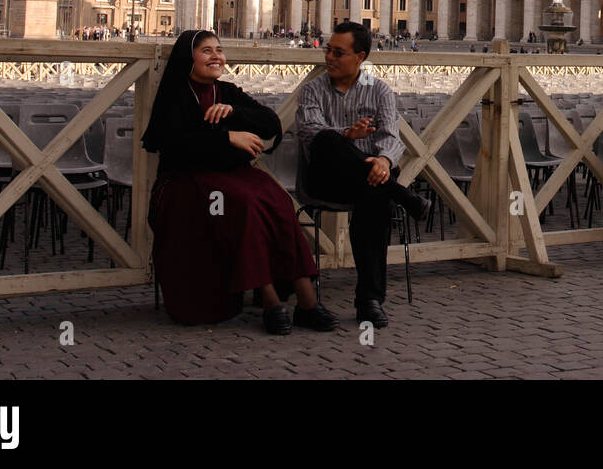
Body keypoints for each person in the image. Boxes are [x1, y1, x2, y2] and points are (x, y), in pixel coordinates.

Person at [142, 29, 338, 335]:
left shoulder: (228, 92)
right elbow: (173, 143)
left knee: (279, 202)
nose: (216, 56)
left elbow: (271, 123)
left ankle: (307, 300)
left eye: (219, 50)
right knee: (245, 207)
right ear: (188, 57)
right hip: (187, 181)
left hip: (234, 176)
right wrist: (227, 136)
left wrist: (236, 112)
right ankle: (271, 301)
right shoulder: (175, 94)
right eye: (206, 50)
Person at [297, 21, 430, 328]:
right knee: (328, 140)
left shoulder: (380, 90)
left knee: (374, 196)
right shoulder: (311, 90)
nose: (329, 57)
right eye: (328, 50)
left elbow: (391, 137)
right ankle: (403, 195)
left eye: (338, 52)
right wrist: (346, 135)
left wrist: (383, 160)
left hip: (368, 183)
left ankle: (368, 300)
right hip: (324, 180)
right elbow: (309, 134)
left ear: (360, 57)